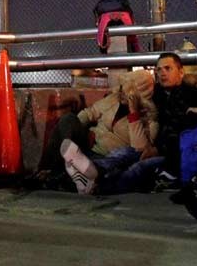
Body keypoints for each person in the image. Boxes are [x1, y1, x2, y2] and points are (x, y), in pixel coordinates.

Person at [31, 70, 161, 194]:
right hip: (87, 144)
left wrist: (134, 113)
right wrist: (75, 130)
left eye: (127, 92)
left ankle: (59, 173)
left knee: (120, 161)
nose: (121, 93)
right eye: (121, 88)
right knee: (68, 119)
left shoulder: (149, 120)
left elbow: (139, 148)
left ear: (137, 96)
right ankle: (59, 160)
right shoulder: (113, 99)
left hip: (105, 156)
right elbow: (89, 113)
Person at [151, 52, 197, 180]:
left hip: (174, 155)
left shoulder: (193, 97)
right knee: (123, 155)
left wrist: (156, 149)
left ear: (181, 72)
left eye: (168, 68)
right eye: (159, 70)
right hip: (151, 147)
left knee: (137, 171)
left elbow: (182, 132)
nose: (162, 73)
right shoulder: (155, 95)